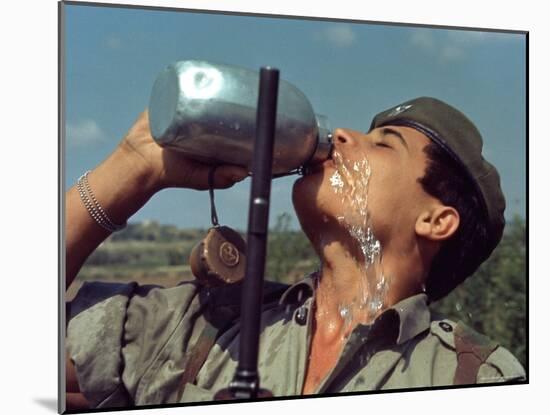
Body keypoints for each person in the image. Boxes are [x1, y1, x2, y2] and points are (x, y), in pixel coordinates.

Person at [65, 97, 526, 410]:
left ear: (436, 220)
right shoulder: (204, 322)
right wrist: (134, 167)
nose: (343, 135)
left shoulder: (475, 380)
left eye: (385, 143)